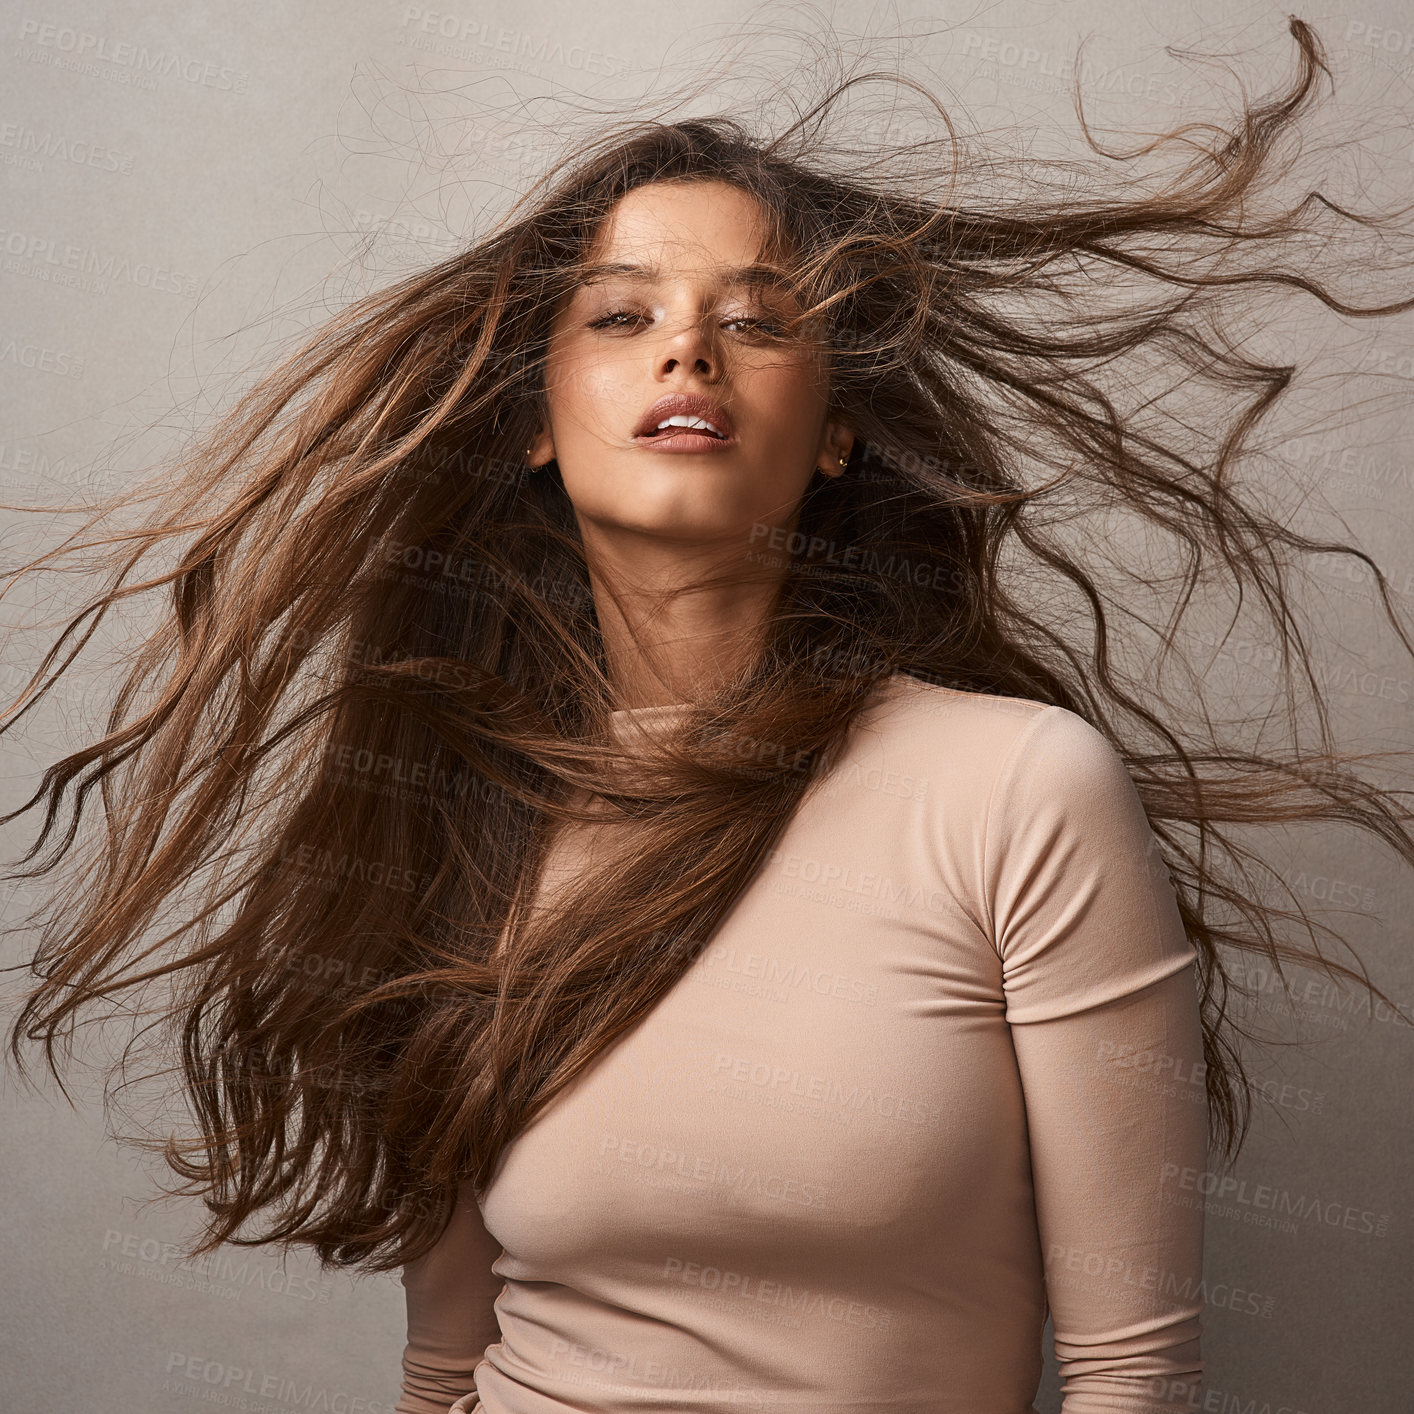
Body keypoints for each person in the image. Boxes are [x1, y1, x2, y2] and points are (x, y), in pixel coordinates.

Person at [3, 17, 1411, 1414]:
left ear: (839, 427)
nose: (689, 351)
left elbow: (1131, 1376)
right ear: (533, 422)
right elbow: (443, 1368)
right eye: (621, 317)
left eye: (757, 320)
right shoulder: (463, 810)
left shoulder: (1015, 789)